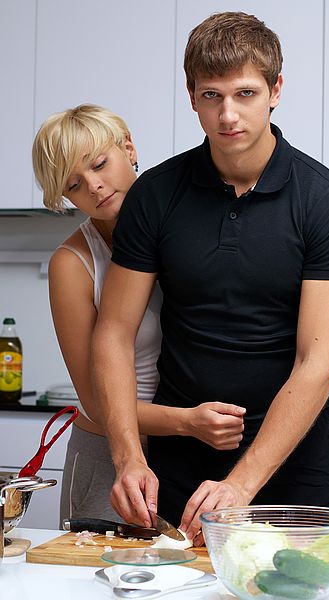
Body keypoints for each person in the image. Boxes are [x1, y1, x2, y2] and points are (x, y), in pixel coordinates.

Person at [92, 11, 329, 543]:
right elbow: (113, 333)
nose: (228, 115)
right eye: (211, 96)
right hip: (176, 468)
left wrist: (239, 485)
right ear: (191, 95)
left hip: (294, 462)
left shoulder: (327, 202)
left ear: (275, 90)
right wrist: (127, 458)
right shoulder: (156, 195)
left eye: (244, 93)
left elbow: (317, 363)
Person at [31, 104, 246, 523]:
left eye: (99, 164)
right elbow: (94, 401)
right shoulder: (73, 264)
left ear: (128, 148)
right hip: (111, 459)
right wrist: (187, 421)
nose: (94, 186)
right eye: (74, 184)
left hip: (194, 452)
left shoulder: (187, 226)